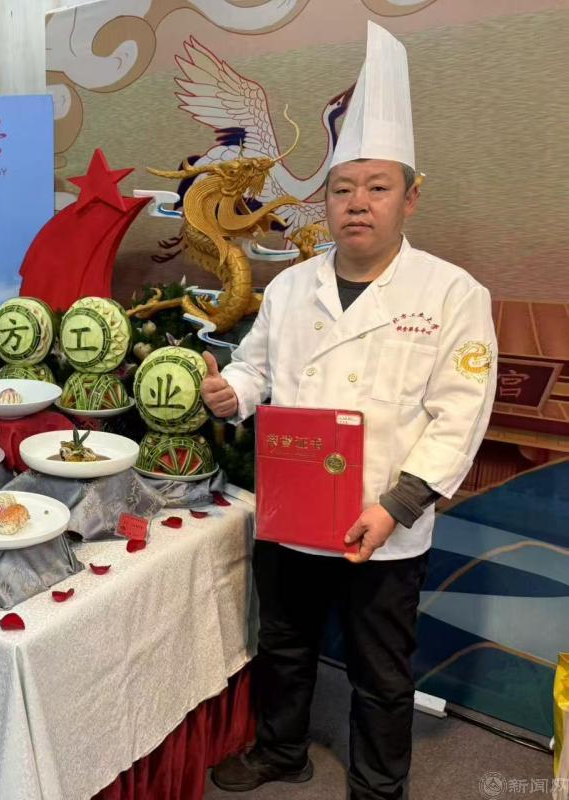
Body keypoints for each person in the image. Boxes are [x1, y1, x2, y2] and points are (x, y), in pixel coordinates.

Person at [203, 22, 497, 800]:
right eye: (342, 188)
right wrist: (233, 392)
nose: (357, 204)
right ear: (325, 200)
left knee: (380, 667)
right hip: (296, 507)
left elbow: (461, 415)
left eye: (377, 187)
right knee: (284, 642)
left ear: (410, 196)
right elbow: (256, 368)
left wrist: (397, 505)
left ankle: (378, 786)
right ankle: (281, 750)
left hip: (383, 517)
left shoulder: (452, 294)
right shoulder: (290, 288)